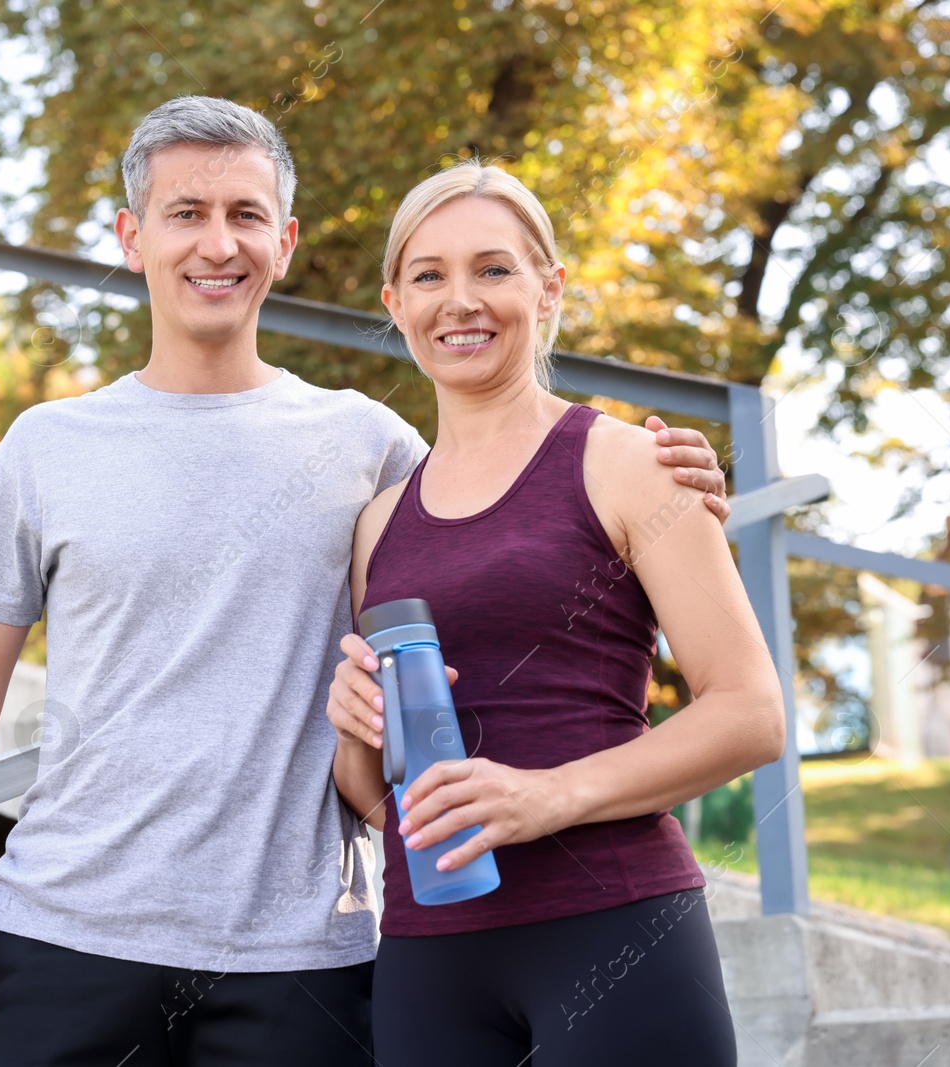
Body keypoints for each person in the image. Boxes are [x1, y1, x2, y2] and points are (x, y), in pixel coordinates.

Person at [0, 96, 732, 1066]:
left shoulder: (366, 445)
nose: (217, 242)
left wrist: (679, 485)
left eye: (245, 214)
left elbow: (514, 500)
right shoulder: (45, 445)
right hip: (67, 934)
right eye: (185, 212)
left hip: (301, 958)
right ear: (130, 236)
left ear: (282, 242)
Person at [325, 161, 786, 1066]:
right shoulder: (378, 522)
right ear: (395, 300)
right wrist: (353, 733)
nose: (461, 301)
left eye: (493, 269)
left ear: (549, 286)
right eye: (430, 275)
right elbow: (385, 803)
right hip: (428, 957)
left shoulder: (634, 464)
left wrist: (548, 796)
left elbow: (751, 713)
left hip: (615, 932)